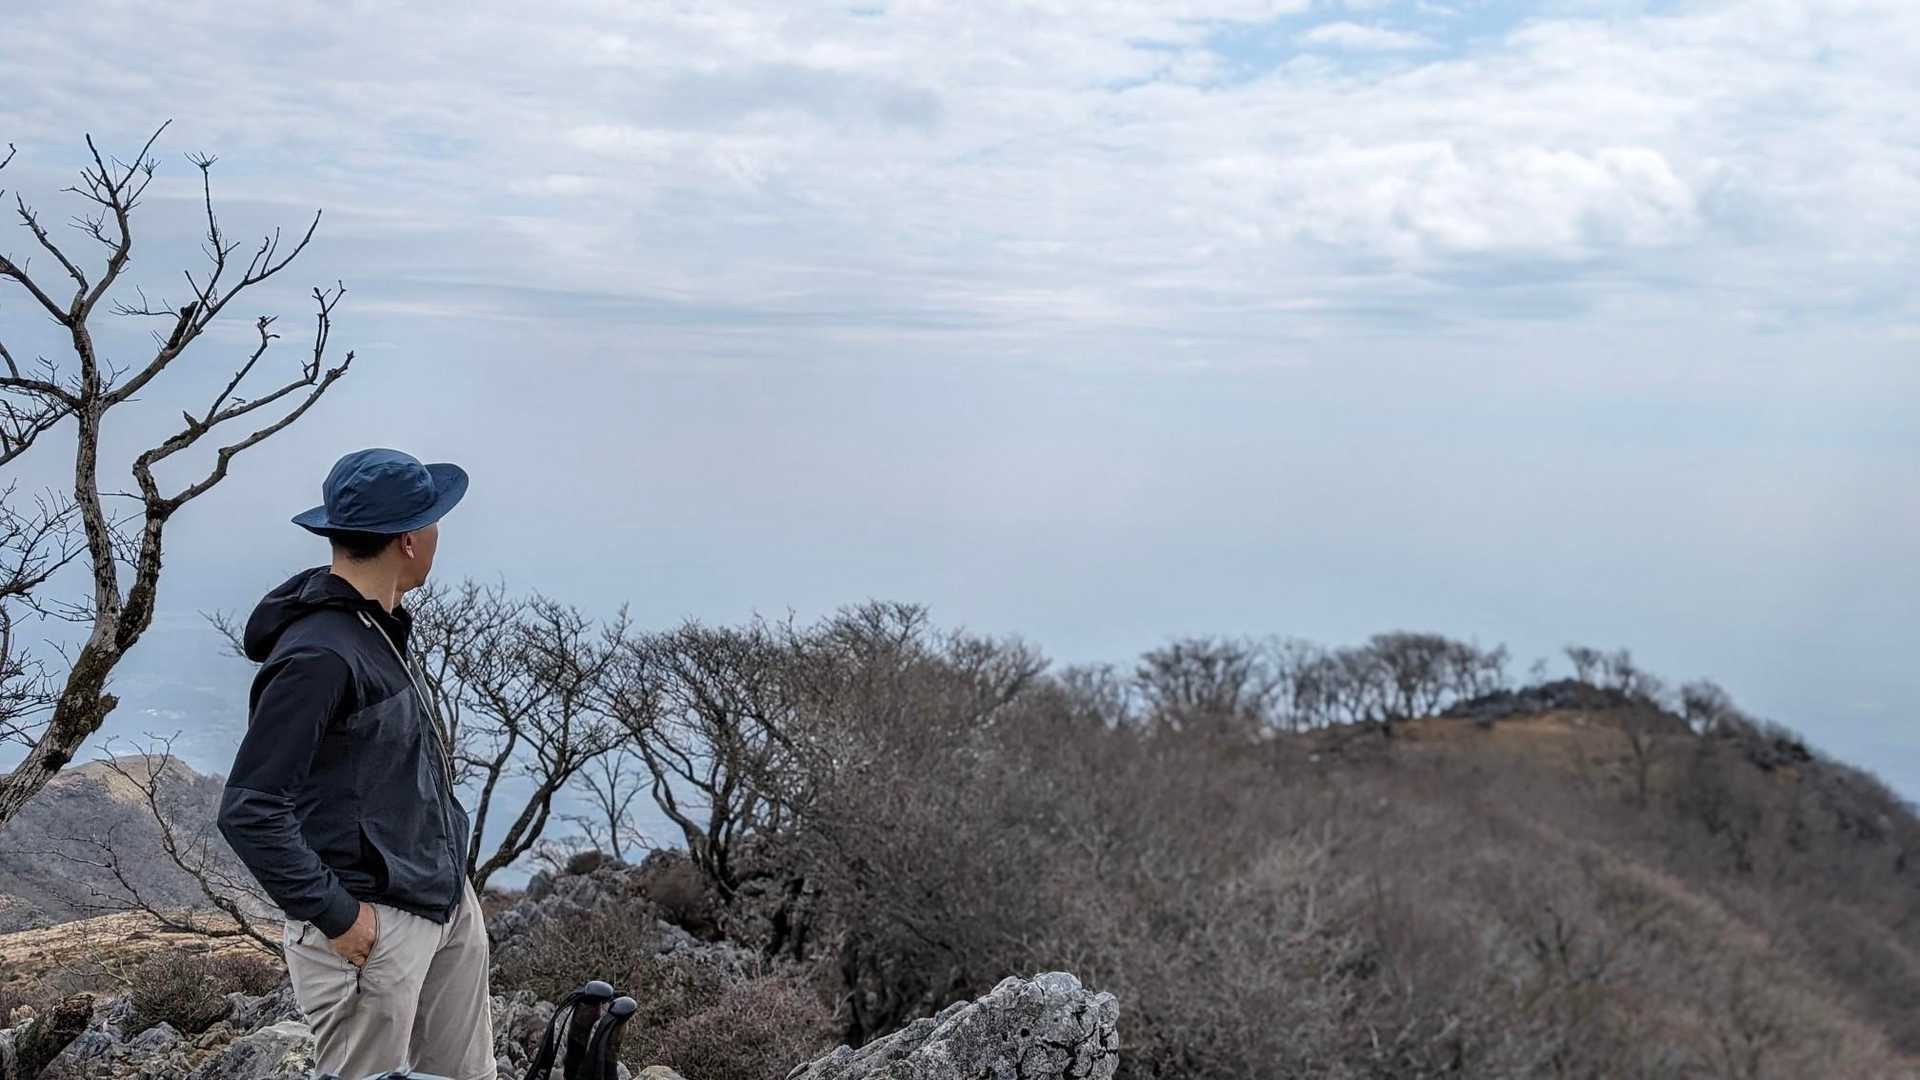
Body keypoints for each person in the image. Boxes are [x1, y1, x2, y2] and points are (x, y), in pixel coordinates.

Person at [218, 448, 495, 1080]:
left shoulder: (376, 628)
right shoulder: (320, 655)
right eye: (433, 520)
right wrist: (340, 918)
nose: (438, 534)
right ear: (408, 540)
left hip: (439, 902)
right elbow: (249, 809)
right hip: (371, 926)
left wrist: (455, 891)